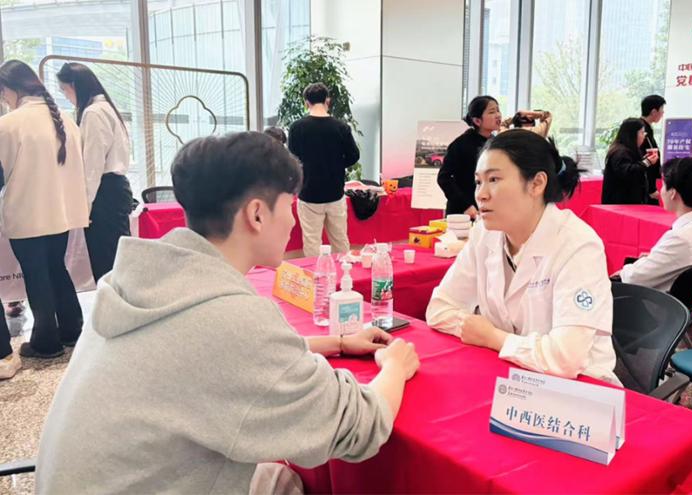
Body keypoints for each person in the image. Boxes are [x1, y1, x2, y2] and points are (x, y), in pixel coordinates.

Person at [35, 132, 420, 493]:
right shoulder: (232, 320)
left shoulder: (137, 282)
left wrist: (336, 342)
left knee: (274, 476)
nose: (292, 219)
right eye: (289, 205)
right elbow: (358, 427)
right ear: (257, 214)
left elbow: (205, 351)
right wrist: (394, 368)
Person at [426, 129, 618, 384]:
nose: (481, 194)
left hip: (578, 388)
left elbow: (565, 359)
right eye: (478, 182)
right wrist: (472, 326)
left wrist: (492, 337)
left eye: (494, 179)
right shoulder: (485, 233)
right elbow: (439, 308)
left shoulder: (577, 245)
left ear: (537, 184)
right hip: (509, 376)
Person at [0, 60, 88, 371]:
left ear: (11, 88)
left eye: (3, 94)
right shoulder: (64, 119)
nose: (4, 100)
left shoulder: (10, 124)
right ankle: (72, 329)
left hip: (28, 212)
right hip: (61, 214)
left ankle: (46, 342)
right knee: (56, 268)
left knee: (36, 275)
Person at [56, 62, 135, 282]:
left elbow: (92, 166)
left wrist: (85, 208)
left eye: (65, 90)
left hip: (104, 192)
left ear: (75, 85)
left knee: (106, 261)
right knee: (116, 259)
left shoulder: (94, 113)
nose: (66, 96)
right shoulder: (106, 108)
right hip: (113, 189)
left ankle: (112, 302)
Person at [617, 157, 692, 291]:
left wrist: (626, 270)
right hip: (680, 299)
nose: (661, 190)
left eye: (664, 185)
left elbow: (633, 278)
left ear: (673, 193)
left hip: (654, 300)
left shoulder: (680, 239)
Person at [288, 82, 359, 257]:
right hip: (335, 192)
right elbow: (354, 156)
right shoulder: (341, 127)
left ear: (306, 103)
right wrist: (336, 164)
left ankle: (315, 273)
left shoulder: (297, 127)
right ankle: (344, 271)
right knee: (340, 240)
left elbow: (292, 157)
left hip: (308, 193)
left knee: (312, 241)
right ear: (328, 101)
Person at [438, 95, 501, 218]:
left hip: (488, 206)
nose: (498, 115)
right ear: (477, 121)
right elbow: (444, 178)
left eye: (498, 110)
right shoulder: (460, 144)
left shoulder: (497, 142)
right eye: (492, 112)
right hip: (463, 211)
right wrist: (465, 205)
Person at [601, 117, 658, 205]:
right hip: (620, 203)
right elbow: (628, 172)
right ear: (633, 134)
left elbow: (633, 166)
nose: (644, 136)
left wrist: (644, 160)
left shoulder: (628, 150)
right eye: (642, 133)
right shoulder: (620, 152)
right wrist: (647, 162)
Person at [640, 95, 666, 205]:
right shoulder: (642, 130)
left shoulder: (646, 128)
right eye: (662, 110)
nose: (663, 113)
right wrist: (651, 188)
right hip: (644, 184)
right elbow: (647, 160)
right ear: (654, 112)